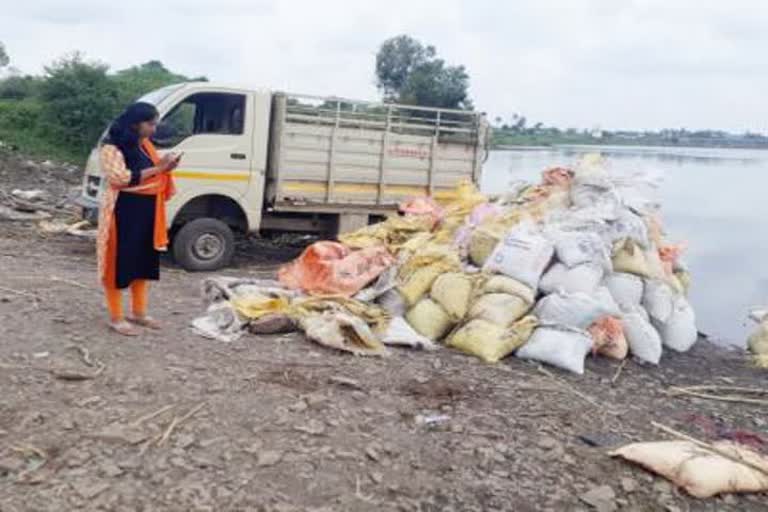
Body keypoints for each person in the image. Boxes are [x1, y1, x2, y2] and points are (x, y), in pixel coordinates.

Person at [96, 102, 179, 336]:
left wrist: (166, 167)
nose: (154, 128)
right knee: (119, 262)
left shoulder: (144, 145)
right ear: (135, 123)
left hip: (146, 210)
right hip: (123, 210)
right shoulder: (111, 148)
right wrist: (159, 169)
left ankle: (139, 312)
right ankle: (116, 317)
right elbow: (120, 178)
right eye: (150, 123)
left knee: (143, 261)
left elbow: (153, 171)